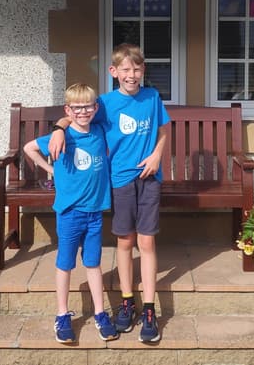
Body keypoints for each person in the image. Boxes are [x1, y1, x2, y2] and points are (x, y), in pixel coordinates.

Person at [49, 44, 170, 343]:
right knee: (126, 241)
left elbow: (165, 129)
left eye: (137, 69)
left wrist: (157, 155)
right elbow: (77, 114)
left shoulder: (152, 97)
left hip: (150, 177)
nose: (132, 75)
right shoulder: (104, 102)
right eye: (126, 70)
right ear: (114, 72)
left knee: (147, 241)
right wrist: (58, 129)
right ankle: (127, 301)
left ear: (143, 71)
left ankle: (150, 308)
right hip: (120, 180)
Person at [23, 83, 118, 344]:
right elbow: (29, 148)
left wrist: (60, 125)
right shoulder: (62, 137)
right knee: (65, 264)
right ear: (68, 109)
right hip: (69, 212)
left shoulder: (99, 130)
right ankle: (62, 315)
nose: (83, 111)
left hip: (95, 212)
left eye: (88, 106)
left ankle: (100, 313)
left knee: (94, 263)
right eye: (76, 108)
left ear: (95, 108)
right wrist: (50, 169)